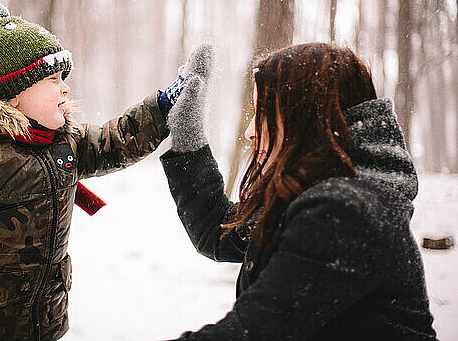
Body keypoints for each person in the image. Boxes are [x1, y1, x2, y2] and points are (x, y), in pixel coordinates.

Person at [0, 3, 202, 341]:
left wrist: (163, 106)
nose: (65, 88)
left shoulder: (61, 142)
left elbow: (114, 142)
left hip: (44, 321)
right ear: (11, 96)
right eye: (52, 80)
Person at [160, 42, 438, 340]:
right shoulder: (324, 193)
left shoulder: (344, 213)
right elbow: (220, 233)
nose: (250, 130)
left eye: (261, 111)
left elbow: (252, 334)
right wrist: (188, 137)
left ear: (302, 115)